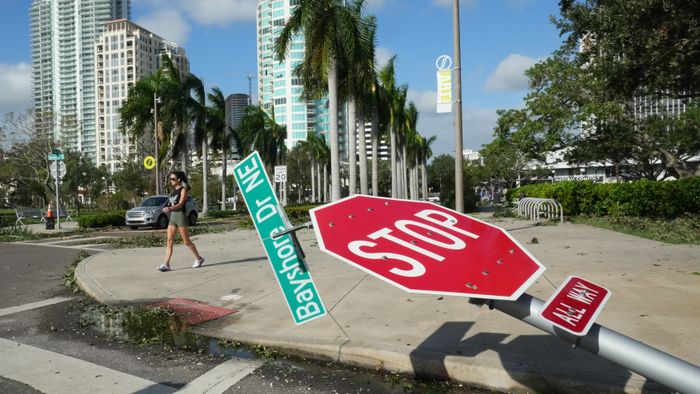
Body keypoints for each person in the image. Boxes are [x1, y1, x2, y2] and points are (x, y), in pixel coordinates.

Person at [158, 171, 204, 272]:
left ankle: (199, 259)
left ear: (179, 180)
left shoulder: (183, 190)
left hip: (181, 216)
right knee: (169, 240)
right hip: (173, 217)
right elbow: (171, 203)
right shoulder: (173, 192)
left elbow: (180, 204)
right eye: (170, 179)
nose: (171, 181)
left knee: (186, 241)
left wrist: (170, 208)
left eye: (173, 179)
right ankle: (166, 264)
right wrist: (167, 208)